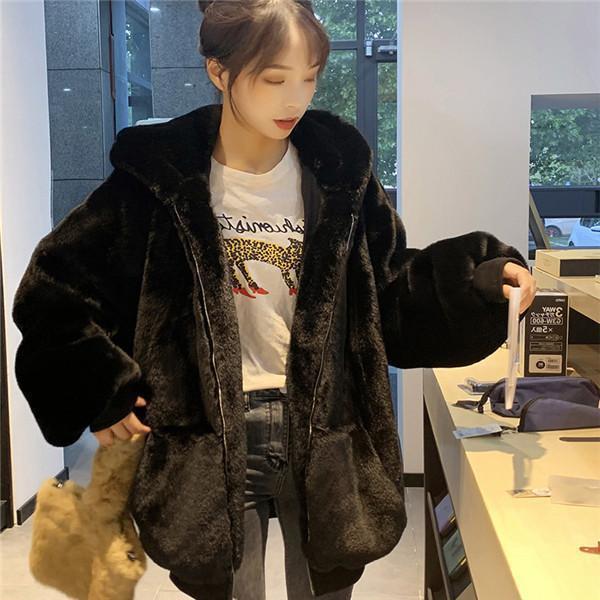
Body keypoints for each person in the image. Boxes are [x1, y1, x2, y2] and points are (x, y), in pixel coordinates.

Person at [11, 1, 536, 599]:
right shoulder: (157, 180)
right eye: (274, 79)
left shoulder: (339, 173)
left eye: (309, 78)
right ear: (218, 70)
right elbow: (56, 287)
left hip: (325, 429)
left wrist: (475, 281)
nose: (295, 99)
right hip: (206, 437)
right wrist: (98, 390)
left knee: (327, 588)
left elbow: (388, 288)